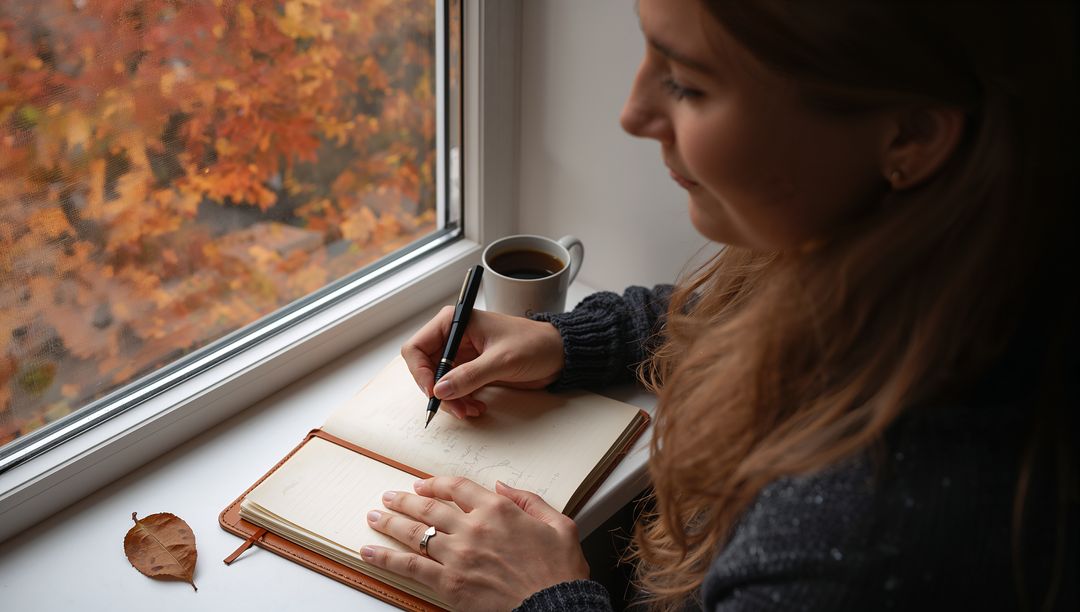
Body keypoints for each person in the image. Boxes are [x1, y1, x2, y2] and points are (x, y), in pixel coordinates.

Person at [358, 0, 1078, 610]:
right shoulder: (936, 265)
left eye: (688, 84)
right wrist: (568, 342)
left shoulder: (846, 551)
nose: (633, 114)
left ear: (910, 136)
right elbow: (731, 312)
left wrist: (543, 595)